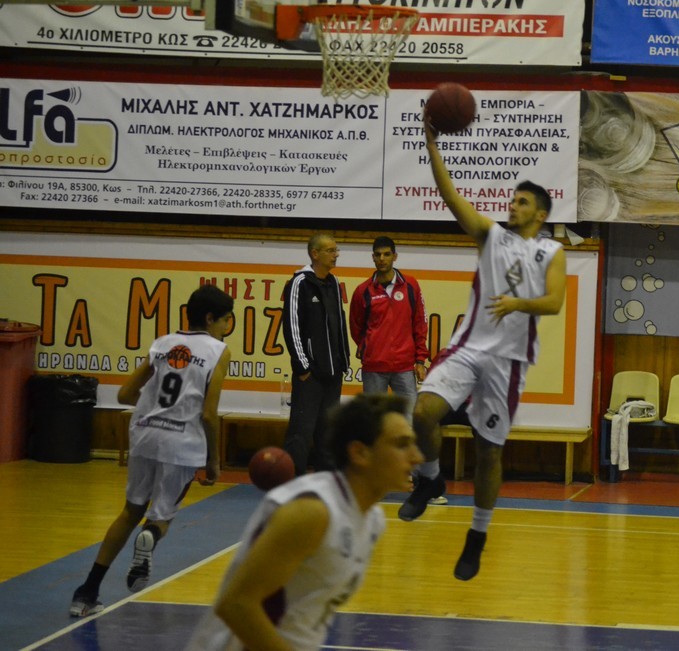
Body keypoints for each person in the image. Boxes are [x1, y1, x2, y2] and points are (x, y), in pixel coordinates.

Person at [398, 116, 567, 581]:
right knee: (423, 412)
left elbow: (554, 302)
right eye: (512, 199)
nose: (513, 205)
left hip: (507, 362)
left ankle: (477, 535)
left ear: (540, 214)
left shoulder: (551, 252)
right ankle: (430, 479)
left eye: (523, 201)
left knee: (488, 453)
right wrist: (431, 143)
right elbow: (449, 195)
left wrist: (519, 303)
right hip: (468, 348)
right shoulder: (491, 236)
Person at [185, 393, 423, 651]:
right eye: (402, 444)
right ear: (360, 453)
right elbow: (236, 605)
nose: (416, 457)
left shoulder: (372, 519)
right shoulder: (313, 512)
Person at [69, 284, 233, 617]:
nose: (227, 326)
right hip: (181, 442)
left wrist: (154, 407)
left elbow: (125, 395)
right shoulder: (218, 350)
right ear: (210, 318)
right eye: (226, 319)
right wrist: (214, 460)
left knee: (130, 510)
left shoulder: (162, 343)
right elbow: (208, 414)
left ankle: (86, 593)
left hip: (144, 435)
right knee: (161, 517)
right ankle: (150, 535)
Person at [350, 235, 445, 505]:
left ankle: (420, 484)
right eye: (377, 255)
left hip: (404, 367)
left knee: (412, 425)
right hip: (374, 368)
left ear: (395, 256)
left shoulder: (411, 286)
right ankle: (374, 484)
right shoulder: (363, 291)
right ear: (372, 257)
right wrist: (369, 348)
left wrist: (420, 359)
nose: (382, 259)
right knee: (374, 428)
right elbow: (356, 326)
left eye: (386, 254)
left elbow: (419, 324)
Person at [282, 232, 351, 475]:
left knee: (328, 432)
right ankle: (293, 479)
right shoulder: (299, 283)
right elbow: (291, 326)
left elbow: (339, 322)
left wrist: (343, 359)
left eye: (336, 250)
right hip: (309, 374)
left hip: (333, 372)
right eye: (331, 250)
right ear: (315, 254)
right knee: (301, 431)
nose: (336, 255)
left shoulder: (333, 282)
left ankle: (326, 478)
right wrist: (302, 366)